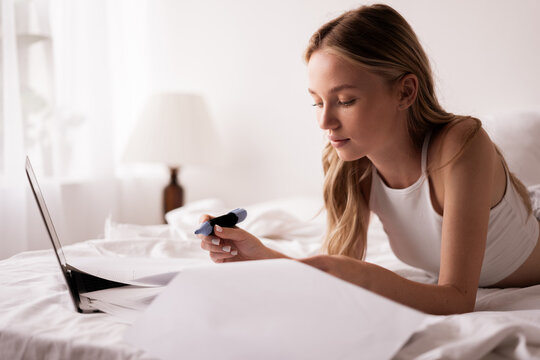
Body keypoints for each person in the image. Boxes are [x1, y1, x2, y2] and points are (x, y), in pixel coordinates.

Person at [197, 4, 540, 315]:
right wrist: (260, 256)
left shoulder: (461, 145)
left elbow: (457, 299)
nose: (325, 122)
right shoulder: (351, 163)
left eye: (345, 100)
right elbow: (331, 279)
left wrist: (363, 276)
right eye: (317, 102)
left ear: (405, 91)